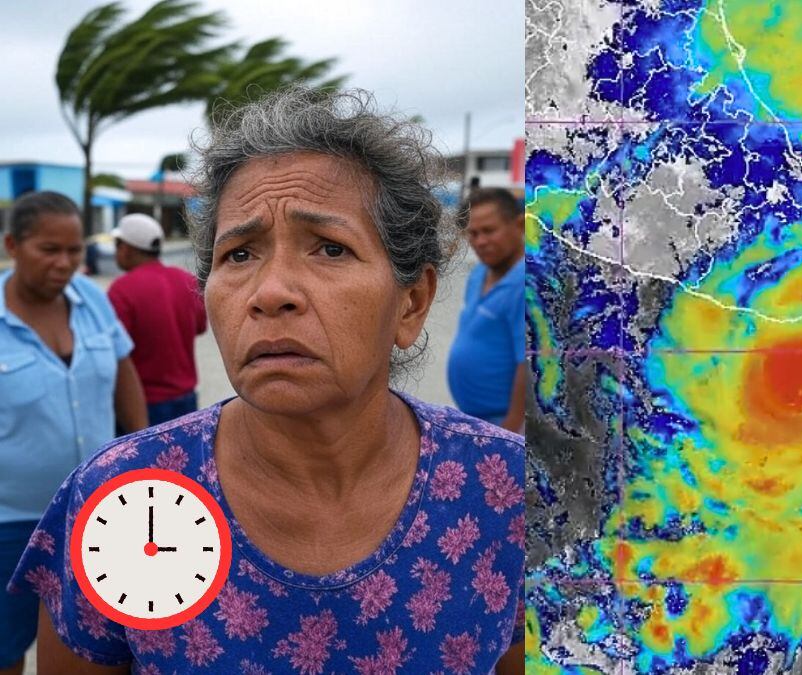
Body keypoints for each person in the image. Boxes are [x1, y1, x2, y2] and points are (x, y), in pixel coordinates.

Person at [8, 89, 524, 674]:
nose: (270, 292)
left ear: (412, 301)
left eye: (330, 248)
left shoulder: (506, 492)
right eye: (238, 254)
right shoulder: (130, 500)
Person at [0, 191, 148, 675]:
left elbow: (124, 370)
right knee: (7, 646)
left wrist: (144, 452)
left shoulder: (90, 300)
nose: (64, 263)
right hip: (12, 524)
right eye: (49, 249)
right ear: (12, 246)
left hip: (99, 513)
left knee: (102, 642)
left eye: (75, 250)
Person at [107, 213, 208, 427]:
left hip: (142, 404)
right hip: (187, 401)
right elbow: (199, 327)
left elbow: (113, 351)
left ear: (126, 248)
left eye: (117, 245)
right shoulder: (186, 280)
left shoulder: (122, 289)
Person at [447, 188, 526, 432]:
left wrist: (511, 430)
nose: (480, 241)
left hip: (507, 425)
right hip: (477, 420)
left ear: (520, 225)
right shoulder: (479, 273)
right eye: (473, 233)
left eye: (489, 231)